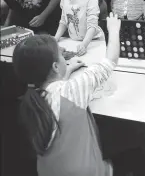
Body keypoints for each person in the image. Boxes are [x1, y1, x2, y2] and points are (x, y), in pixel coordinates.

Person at [13, 13, 121, 176]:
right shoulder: (73, 90)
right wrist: (113, 30)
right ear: (56, 66)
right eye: (62, 56)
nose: (65, 60)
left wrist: (69, 70)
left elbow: (55, 90)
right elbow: (110, 61)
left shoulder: (31, 99)